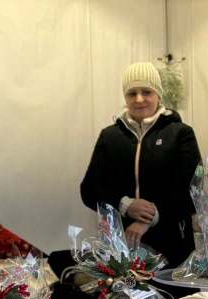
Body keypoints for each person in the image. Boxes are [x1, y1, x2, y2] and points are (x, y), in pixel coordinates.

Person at [80, 62, 201, 267]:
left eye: (147, 92)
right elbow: (90, 189)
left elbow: (192, 189)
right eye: (131, 93)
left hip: (173, 244)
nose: (139, 99)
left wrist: (148, 219)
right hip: (121, 245)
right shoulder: (110, 136)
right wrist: (125, 204)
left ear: (158, 95)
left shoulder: (180, 133)